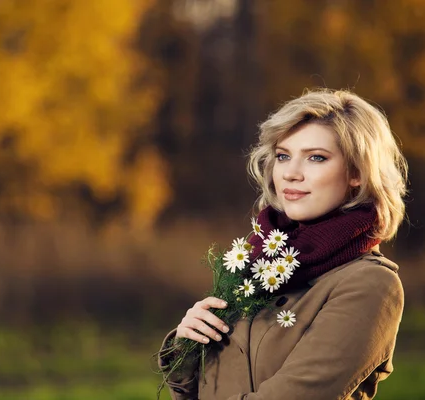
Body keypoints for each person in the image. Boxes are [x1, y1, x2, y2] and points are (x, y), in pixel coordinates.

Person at [158, 88, 408, 399]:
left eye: (316, 158)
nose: (290, 173)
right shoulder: (258, 264)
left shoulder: (370, 283)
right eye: (283, 156)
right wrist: (187, 346)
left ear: (357, 172)